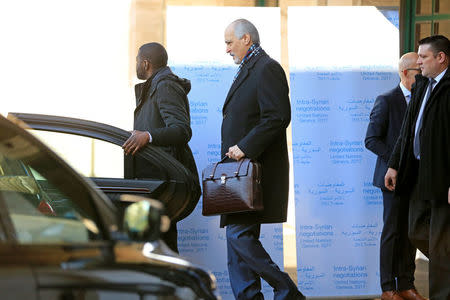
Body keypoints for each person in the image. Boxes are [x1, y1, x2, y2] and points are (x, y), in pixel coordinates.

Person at [220, 19, 304, 300]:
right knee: (237, 244)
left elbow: (278, 116)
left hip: (254, 172)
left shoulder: (267, 68)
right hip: (238, 173)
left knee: (238, 236)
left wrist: (245, 147)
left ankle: (286, 289)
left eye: (230, 43)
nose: (227, 49)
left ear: (246, 39)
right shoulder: (248, 68)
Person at [385, 35, 450, 300]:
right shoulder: (422, 85)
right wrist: (393, 165)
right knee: (415, 232)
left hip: (442, 177)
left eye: (423, 57)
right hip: (418, 175)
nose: (418, 61)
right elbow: (407, 129)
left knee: (439, 243)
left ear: (441, 58)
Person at [122, 42, 199, 253]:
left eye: (137, 61)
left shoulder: (165, 86)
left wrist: (147, 136)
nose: (136, 65)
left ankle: (173, 284)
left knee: (163, 245)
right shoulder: (155, 86)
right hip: (154, 181)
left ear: (145, 63)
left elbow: (182, 130)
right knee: (158, 244)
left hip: (162, 182)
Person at [365, 52, 427, 300]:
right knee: (392, 232)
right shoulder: (386, 100)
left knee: (410, 232)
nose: (423, 77)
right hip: (392, 180)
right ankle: (388, 288)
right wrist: (397, 160)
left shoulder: (424, 99)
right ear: (405, 73)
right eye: (418, 73)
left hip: (417, 180)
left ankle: (407, 285)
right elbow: (371, 139)